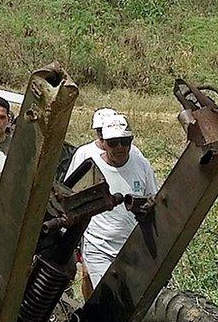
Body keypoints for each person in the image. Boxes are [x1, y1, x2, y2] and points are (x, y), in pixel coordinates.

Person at [66, 114, 157, 291]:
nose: (120, 147)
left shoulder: (142, 165)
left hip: (133, 247)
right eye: (114, 142)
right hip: (99, 248)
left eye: (125, 141)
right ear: (104, 142)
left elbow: (154, 200)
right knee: (107, 298)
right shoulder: (90, 167)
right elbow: (71, 198)